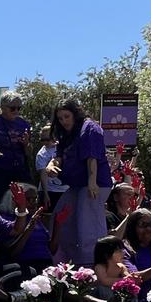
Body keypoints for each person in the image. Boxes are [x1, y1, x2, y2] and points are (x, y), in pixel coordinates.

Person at [44, 98, 112, 266]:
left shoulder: (90, 128)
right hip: (77, 185)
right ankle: (64, 261)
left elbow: (92, 157)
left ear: (75, 114)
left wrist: (92, 181)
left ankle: (92, 266)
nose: (63, 121)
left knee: (87, 227)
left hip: (94, 183)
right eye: (60, 118)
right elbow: (58, 157)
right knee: (60, 218)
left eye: (66, 116)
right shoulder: (67, 133)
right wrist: (51, 165)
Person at [35, 127, 68, 211]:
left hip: (65, 190)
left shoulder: (63, 147)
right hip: (49, 190)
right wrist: (45, 195)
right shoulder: (41, 154)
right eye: (42, 140)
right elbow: (43, 175)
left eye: (47, 139)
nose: (45, 142)